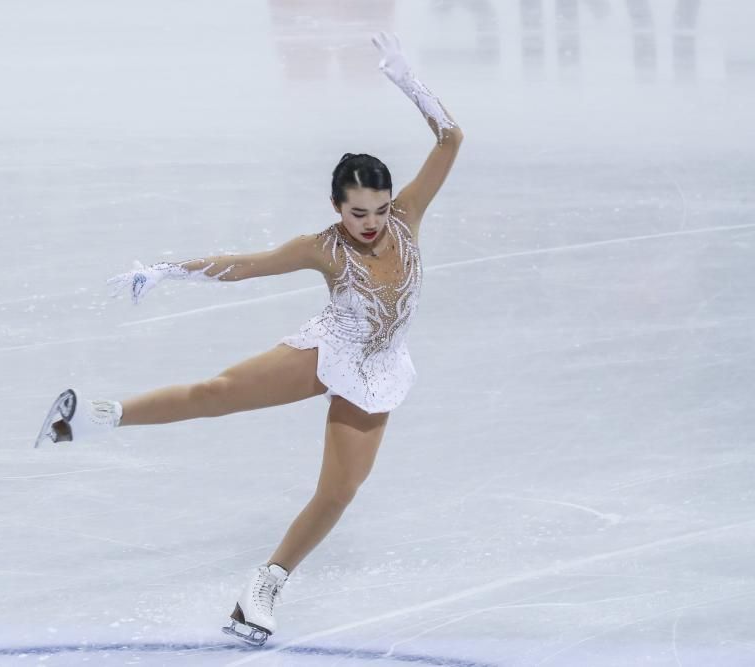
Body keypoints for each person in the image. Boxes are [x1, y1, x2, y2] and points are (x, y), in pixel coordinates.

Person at [33, 31, 463, 646]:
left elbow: (451, 139)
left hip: (381, 368)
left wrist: (407, 81)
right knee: (219, 392)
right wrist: (166, 269)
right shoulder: (323, 248)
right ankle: (99, 417)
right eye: (357, 212)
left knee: (339, 490)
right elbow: (247, 265)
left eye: (378, 209)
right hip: (330, 350)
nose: (370, 224)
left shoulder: (408, 217)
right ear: (337, 207)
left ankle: (263, 587)